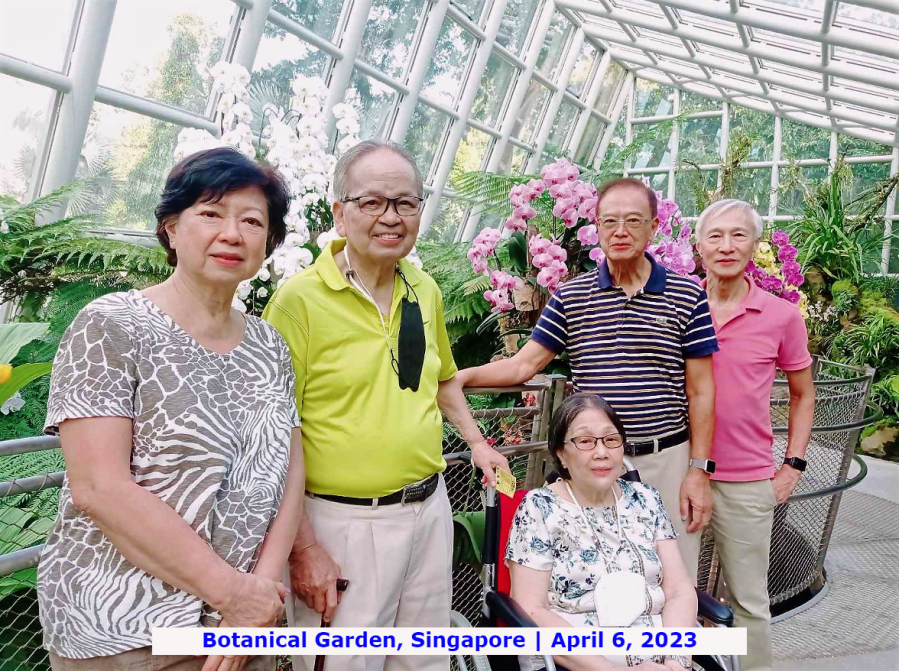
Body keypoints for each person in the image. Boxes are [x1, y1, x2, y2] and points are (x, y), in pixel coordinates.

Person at [39, 147, 305, 671]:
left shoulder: (269, 345)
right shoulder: (112, 325)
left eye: (252, 221)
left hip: (242, 626)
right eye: (211, 213)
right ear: (172, 228)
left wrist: (258, 599)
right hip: (123, 629)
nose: (232, 234)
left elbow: (290, 471)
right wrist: (232, 596)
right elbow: (99, 488)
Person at [262, 140, 509, 671]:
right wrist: (303, 548)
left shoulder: (423, 288)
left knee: (423, 661)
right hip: (343, 524)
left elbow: (442, 380)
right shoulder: (298, 301)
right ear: (340, 212)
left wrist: (477, 443)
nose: (391, 217)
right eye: (372, 202)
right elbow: (275, 433)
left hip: (429, 509)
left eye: (405, 203)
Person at [457, 178, 718, 580]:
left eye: (633, 220)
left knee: (672, 576)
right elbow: (523, 366)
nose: (620, 230)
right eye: (609, 221)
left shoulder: (687, 295)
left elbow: (701, 391)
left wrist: (698, 471)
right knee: (597, 575)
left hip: (666, 459)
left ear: (653, 227)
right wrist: (458, 378)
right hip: (594, 460)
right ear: (596, 227)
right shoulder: (571, 296)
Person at [696, 200, 815, 671]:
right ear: (699, 245)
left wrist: (793, 466)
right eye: (716, 235)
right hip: (681, 473)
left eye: (739, 235)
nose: (727, 246)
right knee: (669, 593)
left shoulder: (781, 316)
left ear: (755, 245)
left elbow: (803, 395)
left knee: (748, 601)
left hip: (746, 479)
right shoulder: (679, 308)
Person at [508, 393, 697, 671]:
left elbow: (679, 590)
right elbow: (531, 609)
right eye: (585, 441)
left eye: (611, 439)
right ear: (561, 452)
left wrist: (677, 661)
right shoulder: (539, 508)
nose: (601, 452)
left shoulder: (645, 498)